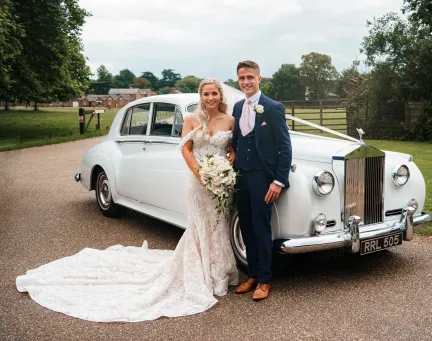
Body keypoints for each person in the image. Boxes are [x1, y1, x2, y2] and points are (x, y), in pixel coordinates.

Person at [15, 78, 239, 322]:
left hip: (218, 181)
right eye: (206, 94)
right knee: (197, 224)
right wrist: (200, 173)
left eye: (214, 93)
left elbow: (232, 149)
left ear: (220, 95)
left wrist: (224, 168)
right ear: (201, 95)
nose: (210, 98)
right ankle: (201, 273)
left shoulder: (230, 121)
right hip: (197, 180)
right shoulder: (190, 119)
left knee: (218, 223)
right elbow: (185, 148)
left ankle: (220, 273)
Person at [232, 61, 292, 301]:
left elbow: (285, 147)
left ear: (259, 79)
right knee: (245, 227)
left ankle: (265, 279)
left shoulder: (273, 107)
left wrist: (278, 180)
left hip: (261, 177)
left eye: (250, 77)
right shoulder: (237, 107)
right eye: (242, 78)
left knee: (261, 228)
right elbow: (237, 141)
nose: (246, 82)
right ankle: (252, 275)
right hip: (240, 176)